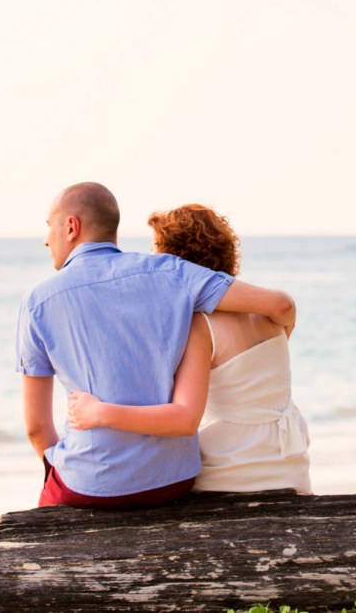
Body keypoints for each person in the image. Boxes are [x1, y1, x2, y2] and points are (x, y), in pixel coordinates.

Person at [17, 183, 296, 509]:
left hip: (90, 485)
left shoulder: (37, 301)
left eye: (48, 227)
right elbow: (280, 305)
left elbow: (36, 428)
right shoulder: (173, 273)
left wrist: (58, 468)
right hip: (175, 480)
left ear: (70, 226)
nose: (47, 239)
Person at [67, 204, 312, 494]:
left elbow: (184, 418)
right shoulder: (270, 313)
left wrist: (100, 413)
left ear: (175, 258)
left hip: (232, 472)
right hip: (290, 466)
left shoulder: (200, 325)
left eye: (157, 249)